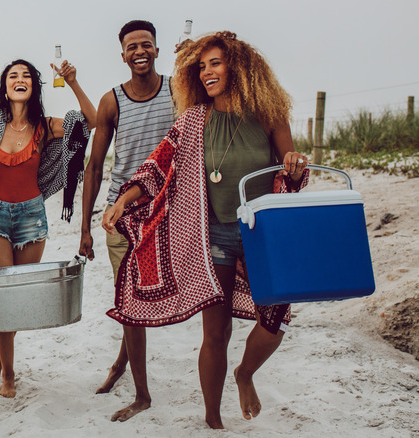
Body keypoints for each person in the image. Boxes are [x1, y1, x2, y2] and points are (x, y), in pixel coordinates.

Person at [102, 31, 309, 426]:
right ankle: (213, 419)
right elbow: (156, 166)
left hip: (260, 233)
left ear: (239, 67)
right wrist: (121, 203)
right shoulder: (194, 119)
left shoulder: (267, 114)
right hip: (212, 237)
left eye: (216, 63)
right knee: (216, 333)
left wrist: (296, 166)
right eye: (202, 66)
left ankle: (245, 374)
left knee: (276, 319)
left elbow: (290, 170)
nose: (208, 72)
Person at [0, 58, 95, 398]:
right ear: (4, 86)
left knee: (17, 300)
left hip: (33, 217)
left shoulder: (46, 125)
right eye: (12, 76)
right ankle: (9, 374)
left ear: (34, 86)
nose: (19, 80)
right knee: (4, 301)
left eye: (26, 76)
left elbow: (91, 122)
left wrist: (73, 81)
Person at [77, 19, 176, 396]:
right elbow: (96, 166)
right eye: (132, 46)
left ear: (156, 50)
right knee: (132, 301)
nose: (140, 51)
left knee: (146, 301)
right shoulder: (111, 101)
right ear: (123, 55)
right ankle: (141, 395)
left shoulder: (176, 91)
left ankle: (121, 363)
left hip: (168, 213)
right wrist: (85, 227)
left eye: (146, 44)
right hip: (122, 217)